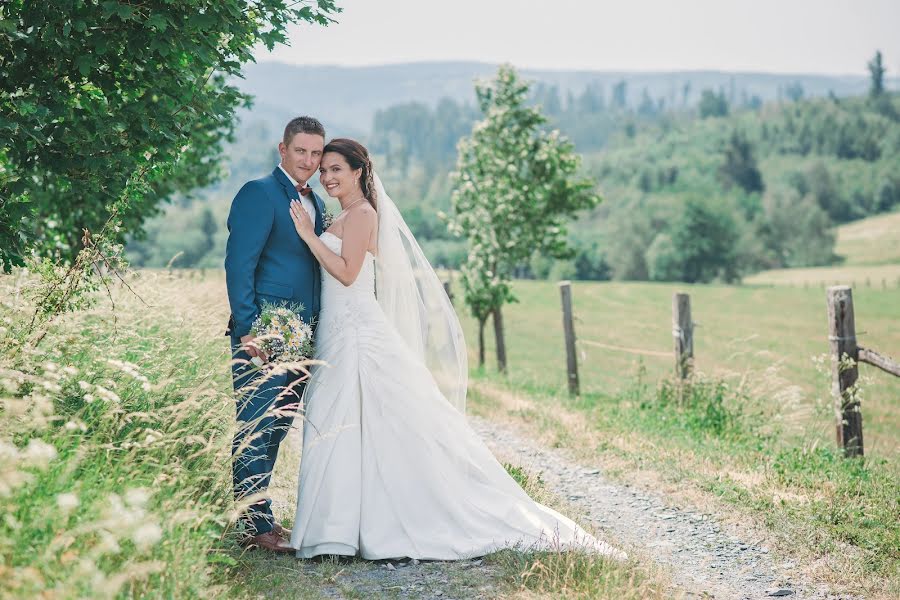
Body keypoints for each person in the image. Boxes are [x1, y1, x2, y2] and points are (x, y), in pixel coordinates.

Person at [286, 138, 624, 561]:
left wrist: (306, 235)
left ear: (358, 171)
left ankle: (369, 524)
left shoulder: (364, 214)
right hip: (337, 331)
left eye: (336, 168)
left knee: (363, 420)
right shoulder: (342, 215)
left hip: (357, 332)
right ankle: (336, 528)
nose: (327, 176)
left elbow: (349, 273)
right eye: (324, 169)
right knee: (343, 424)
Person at [224, 116, 327, 553]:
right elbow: (239, 265)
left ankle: (259, 517)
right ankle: (254, 527)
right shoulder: (259, 193)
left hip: (303, 337)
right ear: (281, 149)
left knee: (278, 427)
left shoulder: (317, 203)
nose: (307, 160)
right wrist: (248, 329)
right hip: (263, 335)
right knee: (255, 425)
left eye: (316, 153)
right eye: (300, 150)